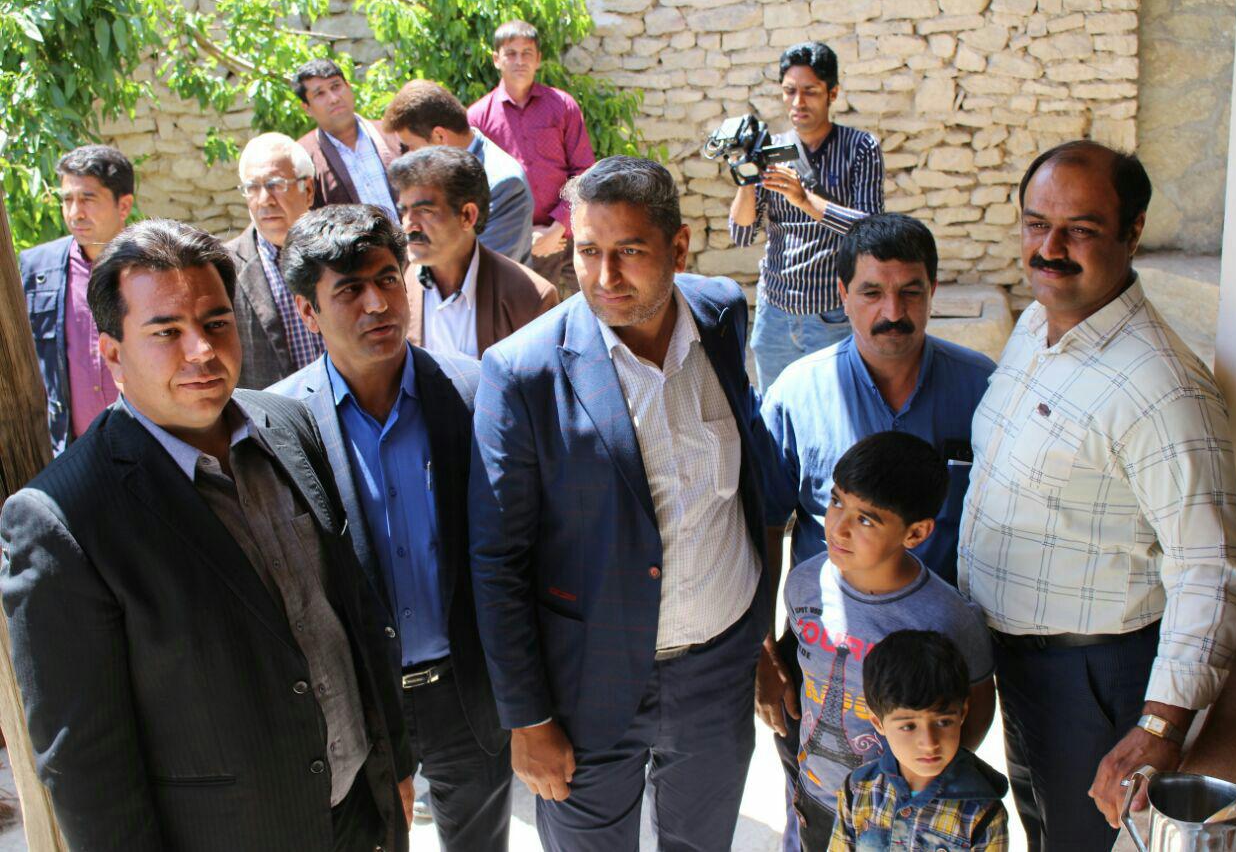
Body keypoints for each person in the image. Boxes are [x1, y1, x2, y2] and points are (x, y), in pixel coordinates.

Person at [0, 219, 414, 851]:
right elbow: (84, 762)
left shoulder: (287, 424)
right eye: (166, 331)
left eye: (216, 322)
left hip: (359, 810)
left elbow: (351, 610)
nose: (201, 350)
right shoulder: (62, 518)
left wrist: (394, 766)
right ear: (112, 352)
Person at [468, 156, 776, 850]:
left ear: (679, 247)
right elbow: (497, 560)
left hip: (718, 667)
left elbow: (748, 487)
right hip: (587, 686)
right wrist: (527, 718)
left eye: (629, 251)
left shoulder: (721, 315)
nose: (604, 276)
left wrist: (757, 636)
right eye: (587, 251)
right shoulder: (522, 371)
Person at [958, 140, 1236, 850]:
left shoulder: (1163, 387)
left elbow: (1208, 568)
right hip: (1023, 666)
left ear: (1133, 232)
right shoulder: (1036, 325)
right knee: (1047, 834)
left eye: (1080, 229)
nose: (1049, 249)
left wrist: (1158, 726)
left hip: (1096, 681)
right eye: (1036, 224)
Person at [268, 205, 512, 851]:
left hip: (467, 696)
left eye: (386, 279)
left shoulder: (473, 390)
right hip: (358, 707)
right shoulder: (278, 425)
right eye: (349, 290)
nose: (377, 304)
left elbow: (513, 552)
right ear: (308, 311)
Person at [757, 215, 995, 850]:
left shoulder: (984, 389)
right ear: (842, 294)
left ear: (933, 290)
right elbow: (764, 526)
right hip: (823, 655)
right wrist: (763, 651)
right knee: (817, 814)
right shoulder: (798, 394)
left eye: (910, 292)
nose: (893, 312)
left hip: (938, 675)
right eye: (871, 292)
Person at [781, 432, 995, 851]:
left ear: (915, 533)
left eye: (866, 520)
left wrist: (923, 786)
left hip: (903, 818)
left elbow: (976, 711)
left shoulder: (949, 618)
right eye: (837, 501)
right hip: (817, 798)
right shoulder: (804, 584)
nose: (839, 527)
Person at [728, 42, 885, 392]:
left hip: (832, 314)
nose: (798, 102)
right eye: (790, 91)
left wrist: (805, 200)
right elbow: (741, 234)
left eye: (810, 91)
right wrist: (746, 176)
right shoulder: (770, 150)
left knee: (835, 409)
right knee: (775, 411)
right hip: (775, 315)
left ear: (833, 93)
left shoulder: (861, 148)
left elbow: (872, 232)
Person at [829, 630, 1009, 852]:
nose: (929, 742)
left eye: (943, 722)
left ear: (962, 713)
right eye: (908, 726)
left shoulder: (983, 814)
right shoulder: (856, 789)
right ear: (877, 721)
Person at [387, 146, 557, 360]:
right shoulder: (394, 286)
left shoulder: (530, 299)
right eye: (404, 211)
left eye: (425, 211)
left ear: (467, 215)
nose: (409, 224)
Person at [20, 144, 134, 453]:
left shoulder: (152, 266)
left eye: (87, 198)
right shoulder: (37, 270)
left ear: (124, 206)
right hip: (70, 452)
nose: (75, 213)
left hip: (146, 447)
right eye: (67, 199)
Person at [468, 19, 595, 294]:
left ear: (538, 59)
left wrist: (557, 228)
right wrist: (528, 237)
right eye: (511, 53)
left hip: (572, 236)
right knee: (533, 316)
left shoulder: (562, 106)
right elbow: (474, 188)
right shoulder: (478, 118)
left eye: (527, 53)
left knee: (593, 309)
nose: (519, 61)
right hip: (517, 244)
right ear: (496, 59)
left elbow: (584, 171)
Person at [384, 79, 534, 264]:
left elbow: (483, 268)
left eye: (410, 146)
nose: (408, 156)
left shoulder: (504, 183)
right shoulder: (437, 176)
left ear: (439, 136)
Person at [225, 132, 324, 389]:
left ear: (308, 190)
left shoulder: (339, 253)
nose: (264, 200)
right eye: (252, 187)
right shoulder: (224, 270)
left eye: (275, 184)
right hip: (272, 412)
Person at [294, 58, 400, 220]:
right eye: (320, 94)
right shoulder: (304, 158)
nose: (333, 98)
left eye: (336, 86)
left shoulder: (393, 133)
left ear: (349, 87)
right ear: (307, 108)